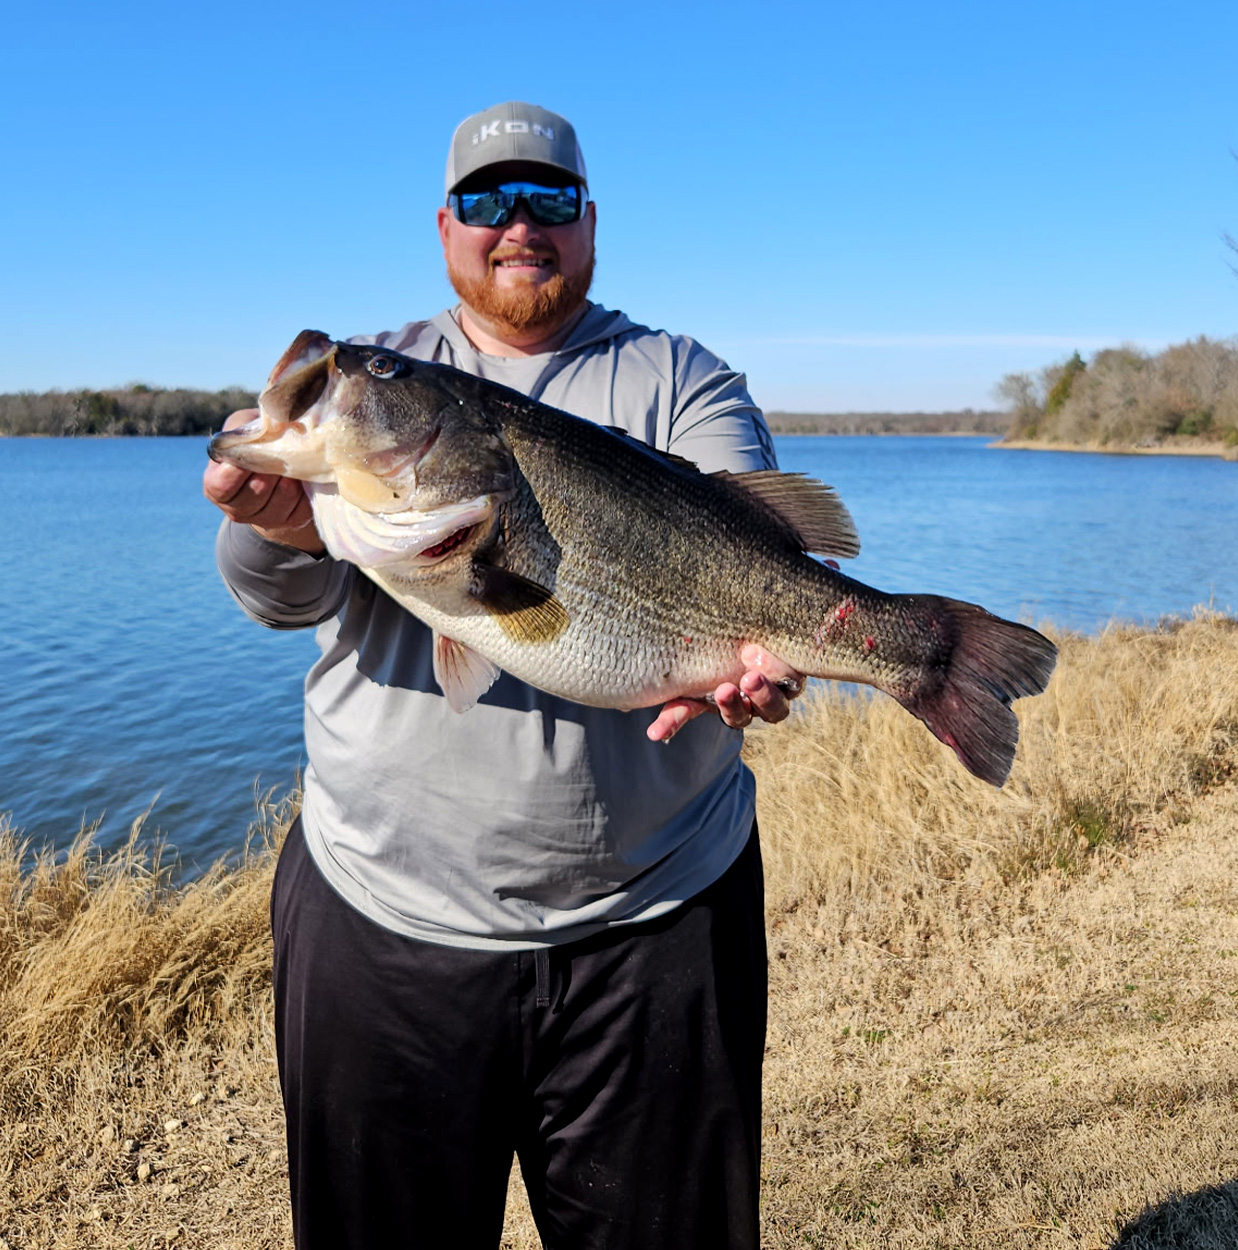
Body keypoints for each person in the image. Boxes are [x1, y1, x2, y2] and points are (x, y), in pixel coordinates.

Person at [204, 101, 802, 1250]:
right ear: (444, 228)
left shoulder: (681, 378)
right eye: (486, 200)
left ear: (588, 222)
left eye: (547, 198)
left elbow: (764, 560)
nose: (516, 222)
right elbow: (278, 598)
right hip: (384, 925)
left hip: (657, 920)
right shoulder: (387, 382)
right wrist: (273, 526)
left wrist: (770, 665)